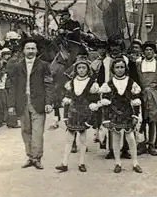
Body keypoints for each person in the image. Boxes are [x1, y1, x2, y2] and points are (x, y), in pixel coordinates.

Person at [6, 38, 55, 170]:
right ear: (23, 50)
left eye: (33, 48)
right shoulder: (17, 66)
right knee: (25, 131)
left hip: (38, 102)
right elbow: (12, 86)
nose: (30, 51)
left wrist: (49, 102)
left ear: (37, 50)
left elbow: (49, 85)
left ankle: (37, 158)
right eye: (28, 48)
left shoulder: (44, 65)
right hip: (22, 102)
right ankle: (30, 156)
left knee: (38, 132)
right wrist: (11, 105)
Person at [56, 59, 100, 172]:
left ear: (88, 69)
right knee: (68, 139)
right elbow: (67, 100)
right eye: (79, 68)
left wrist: (91, 117)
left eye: (84, 68)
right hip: (73, 113)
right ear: (76, 69)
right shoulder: (71, 83)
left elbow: (94, 101)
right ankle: (64, 163)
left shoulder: (92, 83)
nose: (81, 70)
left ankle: (81, 163)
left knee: (83, 139)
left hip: (84, 113)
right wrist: (65, 116)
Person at [100, 58, 143, 173]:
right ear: (113, 69)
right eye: (117, 67)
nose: (119, 70)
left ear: (126, 68)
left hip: (128, 113)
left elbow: (136, 100)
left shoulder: (131, 82)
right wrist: (106, 119)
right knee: (116, 139)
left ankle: (135, 163)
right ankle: (117, 163)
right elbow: (105, 103)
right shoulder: (108, 84)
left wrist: (135, 116)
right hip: (114, 114)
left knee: (131, 138)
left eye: (122, 67)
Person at [135, 41, 157, 156]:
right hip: (141, 94)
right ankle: (142, 144)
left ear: (154, 52)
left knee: (152, 120)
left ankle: (151, 144)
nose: (148, 52)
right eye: (146, 50)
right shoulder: (138, 65)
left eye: (151, 50)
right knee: (142, 120)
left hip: (153, 95)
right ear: (143, 52)